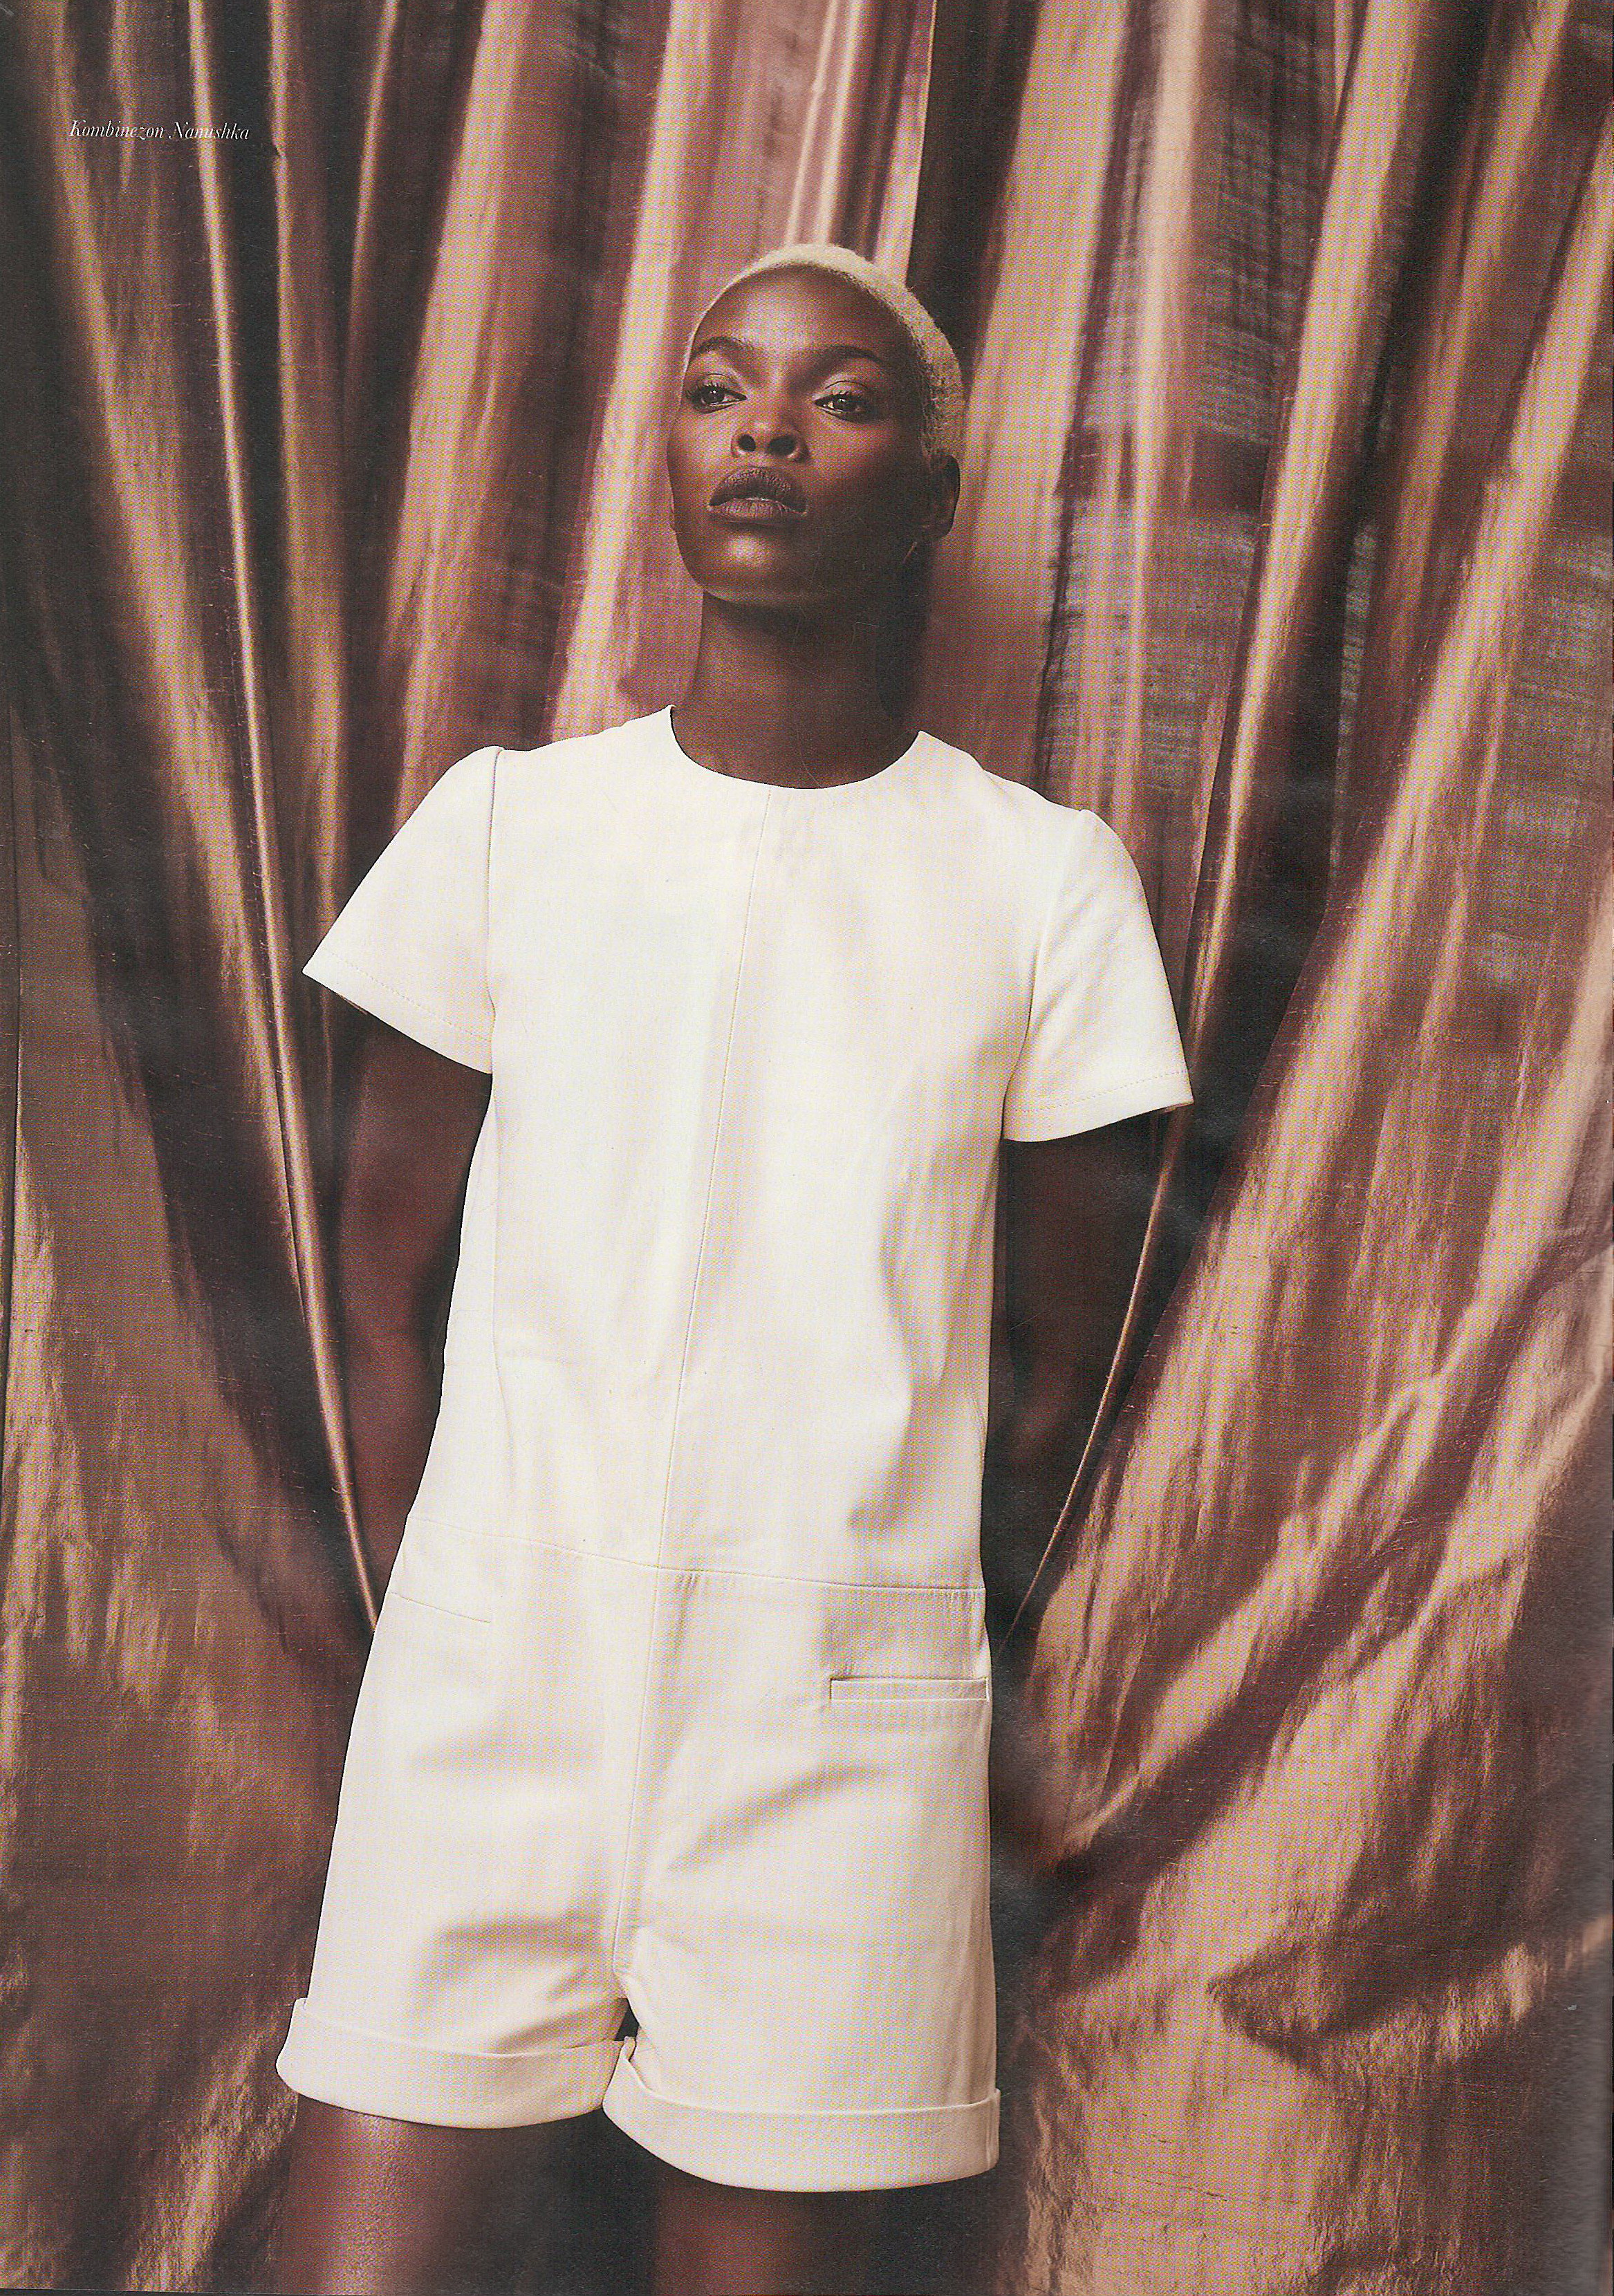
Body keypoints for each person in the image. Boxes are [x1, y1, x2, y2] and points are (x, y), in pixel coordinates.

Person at [271, 241, 1193, 2296]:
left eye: (840, 398)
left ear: (934, 490)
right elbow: (375, 1291)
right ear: (672, 453)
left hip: (835, 1718)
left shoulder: (1043, 882)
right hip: (492, 1680)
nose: (764, 429)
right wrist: (453, 1619)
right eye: (717, 387)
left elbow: (1053, 1371)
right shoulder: (507, 829)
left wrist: (892, 1631)